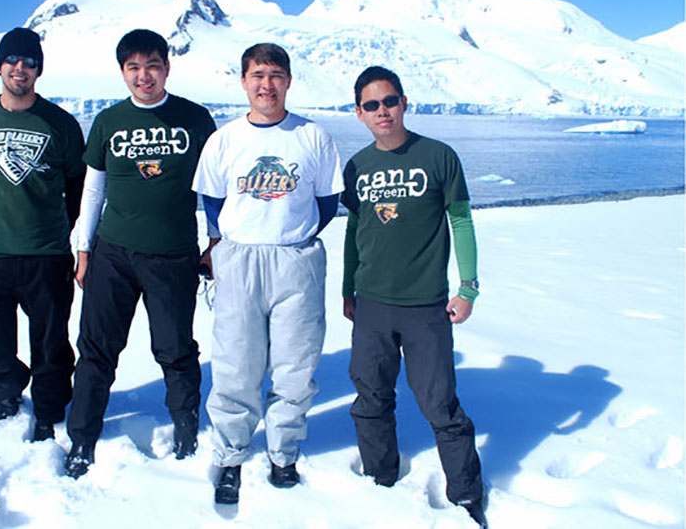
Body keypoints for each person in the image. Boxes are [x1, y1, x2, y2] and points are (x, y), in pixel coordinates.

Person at [192, 43, 344, 504]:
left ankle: (284, 452)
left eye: (276, 75)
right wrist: (232, 242)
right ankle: (233, 454)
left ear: (289, 81)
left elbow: (326, 202)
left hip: (295, 259)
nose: (267, 84)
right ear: (243, 82)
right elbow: (213, 204)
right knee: (236, 362)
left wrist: (290, 235)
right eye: (258, 75)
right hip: (240, 259)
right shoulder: (225, 139)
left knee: (295, 364)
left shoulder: (311, 137)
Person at [63, 29, 216, 479]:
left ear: (166, 68)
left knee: (174, 349)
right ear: (123, 73)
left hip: (172, 255)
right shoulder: (109, 121)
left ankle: (186, 429)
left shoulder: (194, 118)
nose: (143, 75)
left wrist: (216, 240)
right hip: (113, 254)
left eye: (152, 65)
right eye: (133, 67)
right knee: (96, 349)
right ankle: (82, 438)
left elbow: (213, 187)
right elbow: (94, 189)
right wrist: (85, 248)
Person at [341, 66, 487, 528]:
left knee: (439, 402)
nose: (382, 112)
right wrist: (348, 289)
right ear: (359, 113)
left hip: (426, 305)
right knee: (371, 398)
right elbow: (353, 231)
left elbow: (460, 221)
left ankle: (466, 495)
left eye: (389, 101)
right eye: (371, 105)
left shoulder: (439, 156)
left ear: (404, 103)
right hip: (372, 304)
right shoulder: (357, 166)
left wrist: (468, 287)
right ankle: (380, 480)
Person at [0, 27, 86, 442]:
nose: (20, 68)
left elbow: (77, 187)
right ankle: (5, 394)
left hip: (46, 255)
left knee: (50, 344)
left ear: (39, 70)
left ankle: (49, 410)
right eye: (12, 60)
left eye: (29, 61)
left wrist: (57, 231)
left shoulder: (61, 125)